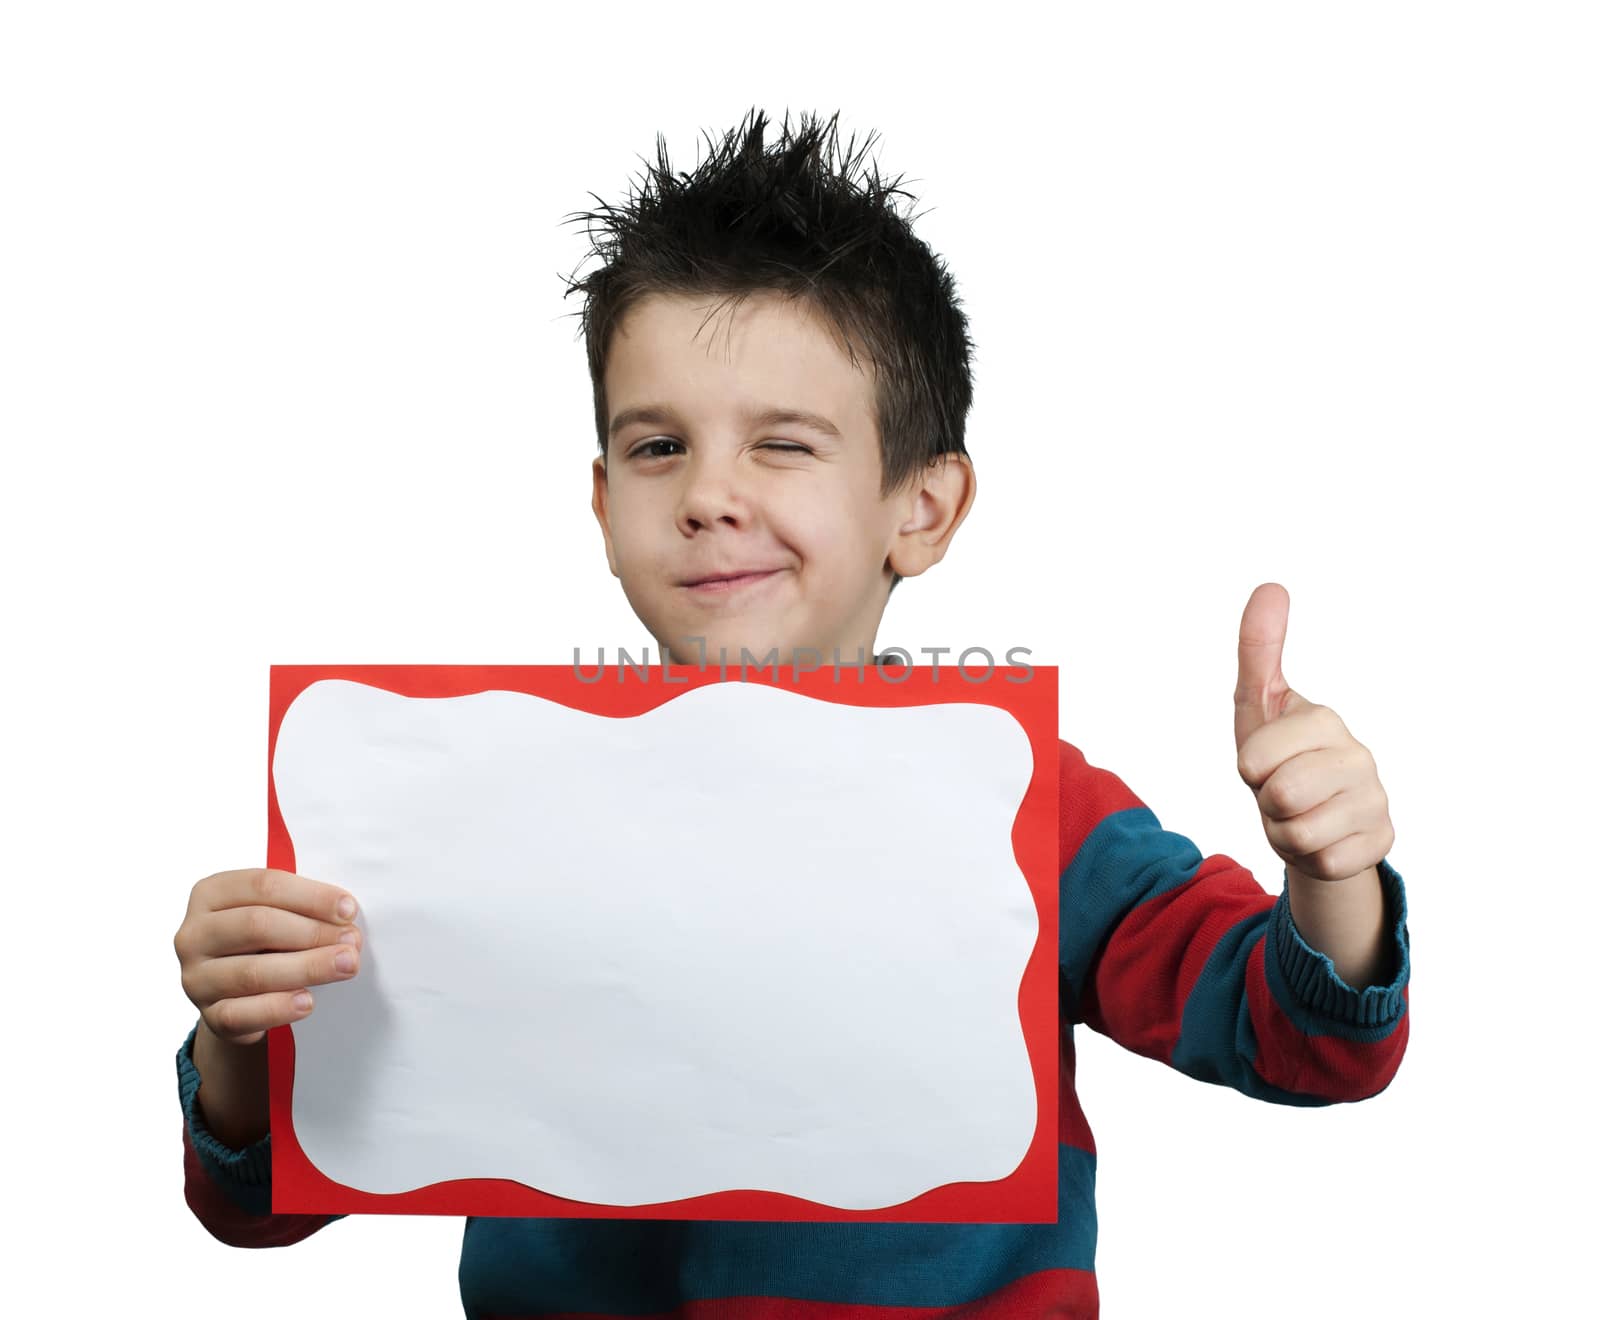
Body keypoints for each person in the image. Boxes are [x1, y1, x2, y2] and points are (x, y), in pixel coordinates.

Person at [173, 107, 1411, 1318]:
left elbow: (1304, 1044)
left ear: (919, 508)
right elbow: (261, 1199)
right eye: (657, 448)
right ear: (602, 504)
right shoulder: (473, 812)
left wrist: (1331, 878)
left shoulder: (1020, 807)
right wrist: (242, 1032)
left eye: (782, 444)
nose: (710, 493)